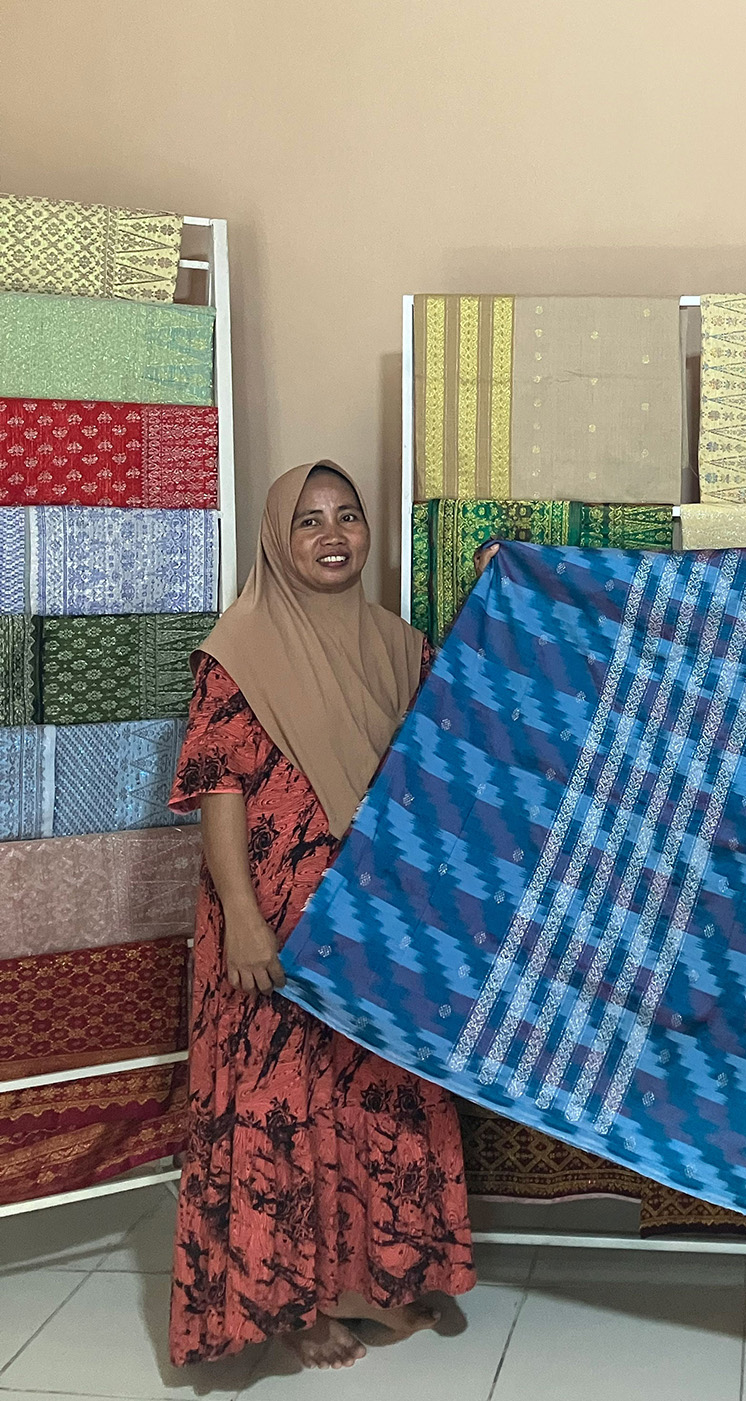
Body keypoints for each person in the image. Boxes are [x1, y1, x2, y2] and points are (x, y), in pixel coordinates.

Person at [168, 461, 491, 1370]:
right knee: (282, 1103)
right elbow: (220, 788)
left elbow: (445, 767)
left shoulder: (400, 646)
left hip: (373, 920)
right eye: (309, 521)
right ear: (279, 539)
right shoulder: (240, 648)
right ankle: (292, 1306)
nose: (333, 534)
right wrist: (243, 916)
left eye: (348, 516)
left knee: (369, 1093)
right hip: (269, 918)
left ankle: (366, 1282)